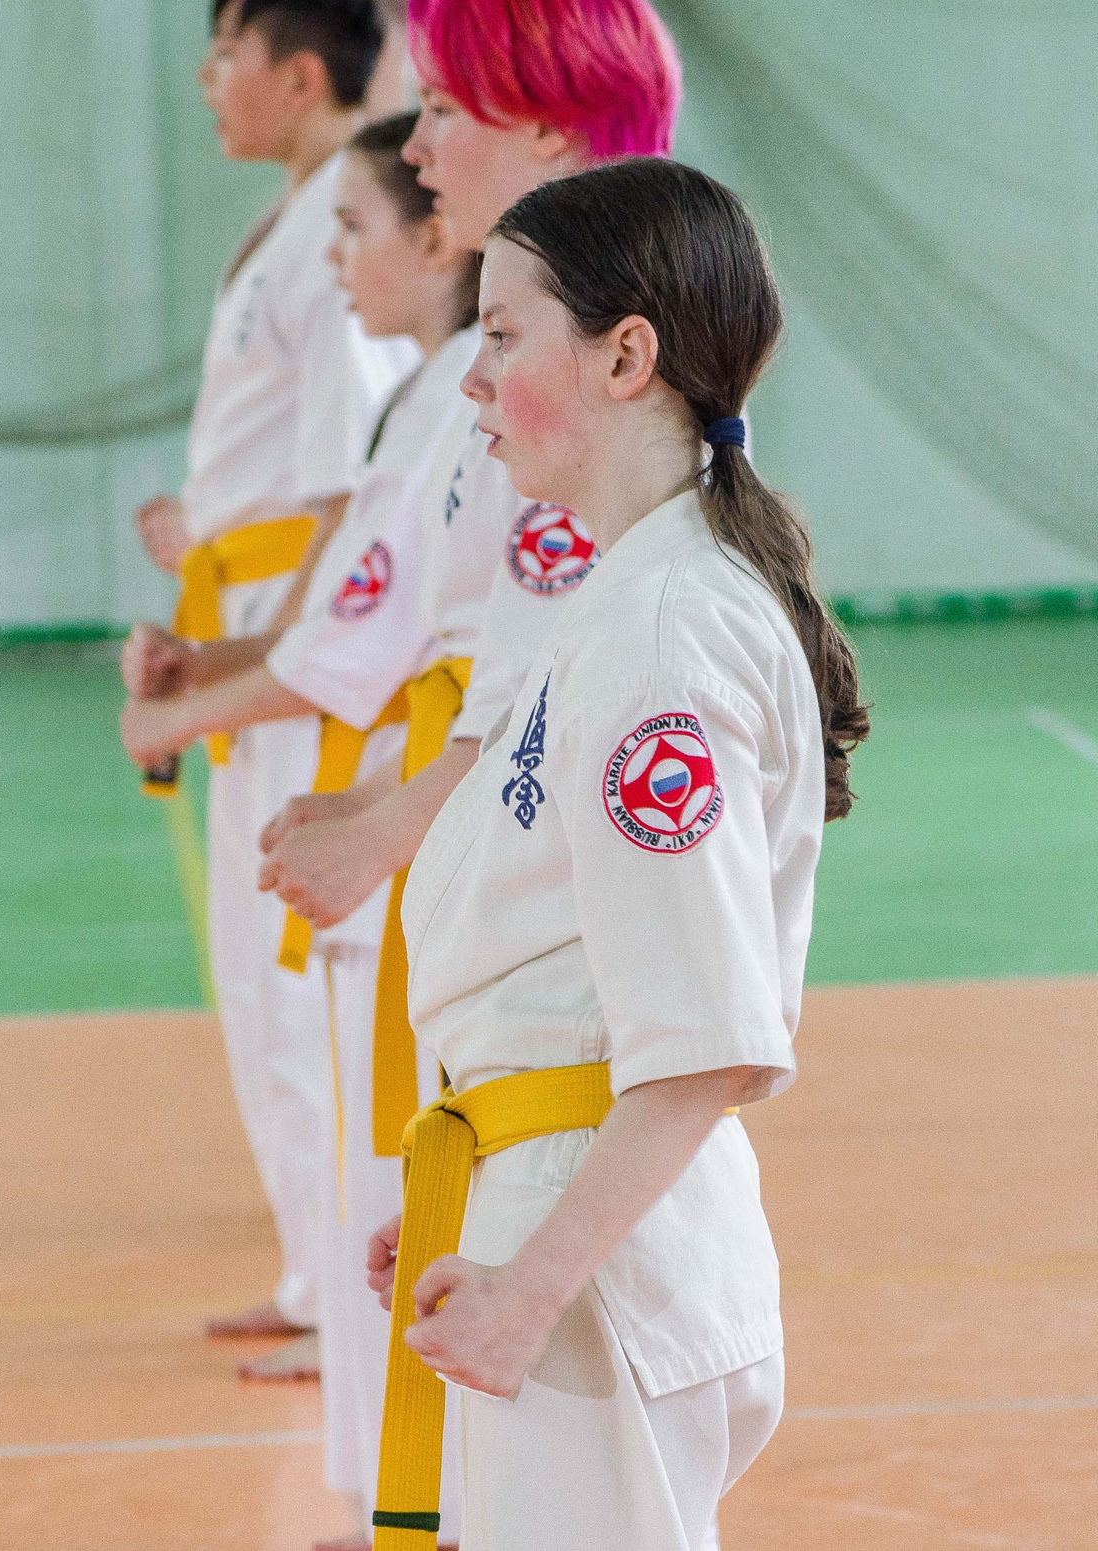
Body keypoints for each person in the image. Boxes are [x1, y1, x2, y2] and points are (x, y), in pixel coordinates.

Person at [366, 158, 869, 1550]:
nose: (472, 379)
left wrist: (534, 1280)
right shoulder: (625, 595)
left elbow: (707, 1029)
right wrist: (476, 1204)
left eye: (504, 332)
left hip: (596, 1293)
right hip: (562, 1226)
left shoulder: (664, 634)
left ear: (626, 354)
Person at [121, 111, 476, 1549]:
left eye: (358, 227)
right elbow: (359, 607)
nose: (338, 250)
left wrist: (194, 705)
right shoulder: (448, 386)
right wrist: (202, 674)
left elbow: (372, 613)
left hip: (412, 783)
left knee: (394, 1131)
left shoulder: (463, 386)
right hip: (379, 759)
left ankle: (428, 1503)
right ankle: (401, 1502)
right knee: (352, 1105)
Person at [258, 0, 683, 1079]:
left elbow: (544, 683)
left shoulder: (597, 355)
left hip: (556, 904)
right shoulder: (522, 335)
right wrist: (375, 801)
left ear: (547, 123)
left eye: (443, 107)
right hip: (491, 845)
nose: (415, 145)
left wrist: (381, 833)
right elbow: (497, 661)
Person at [130, 0, 418, 1372]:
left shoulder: (342, 229)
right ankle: (317, 1271)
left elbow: (347, 489)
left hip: (304, 667)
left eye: (224, 51)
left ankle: (352, 1299)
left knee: (311, 981)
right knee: (261, 982)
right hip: (256, 630)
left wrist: (244, 655)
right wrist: (207, 536)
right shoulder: (302, 220)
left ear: (299, 72)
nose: (208, 80)